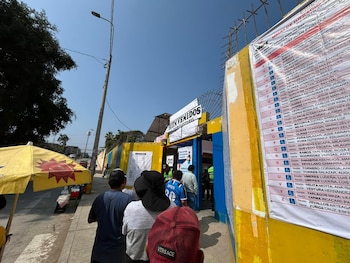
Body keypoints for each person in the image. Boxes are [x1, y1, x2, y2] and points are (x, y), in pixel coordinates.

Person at [122, 170, 177, 263]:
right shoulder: (174, 207)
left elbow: (124, 232)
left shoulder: (131, 208)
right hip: (162, 259)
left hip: (134, 258)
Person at [88, 169, 132, 263]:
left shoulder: (99, 198)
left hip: (99, 252)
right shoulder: (128, 200)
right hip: (118, 254)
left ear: (108, 182)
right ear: (124, 182)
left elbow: (90, 219)